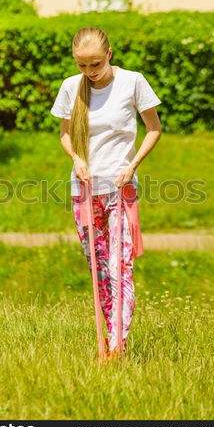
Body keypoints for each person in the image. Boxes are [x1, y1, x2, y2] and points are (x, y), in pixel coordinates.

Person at [50, 27, 162, 359]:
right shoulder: (72, 87)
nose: (90, 72)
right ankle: (108, 340)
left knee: (120, 266)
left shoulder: (133, 82)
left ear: (109, 53)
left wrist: (133, 166)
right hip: (84, 190)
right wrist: (76, 158)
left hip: (120, 188)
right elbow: (65, 134)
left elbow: (154, 129)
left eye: (95, 64)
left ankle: (117, 346)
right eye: (82, 66)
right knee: (99, 270)